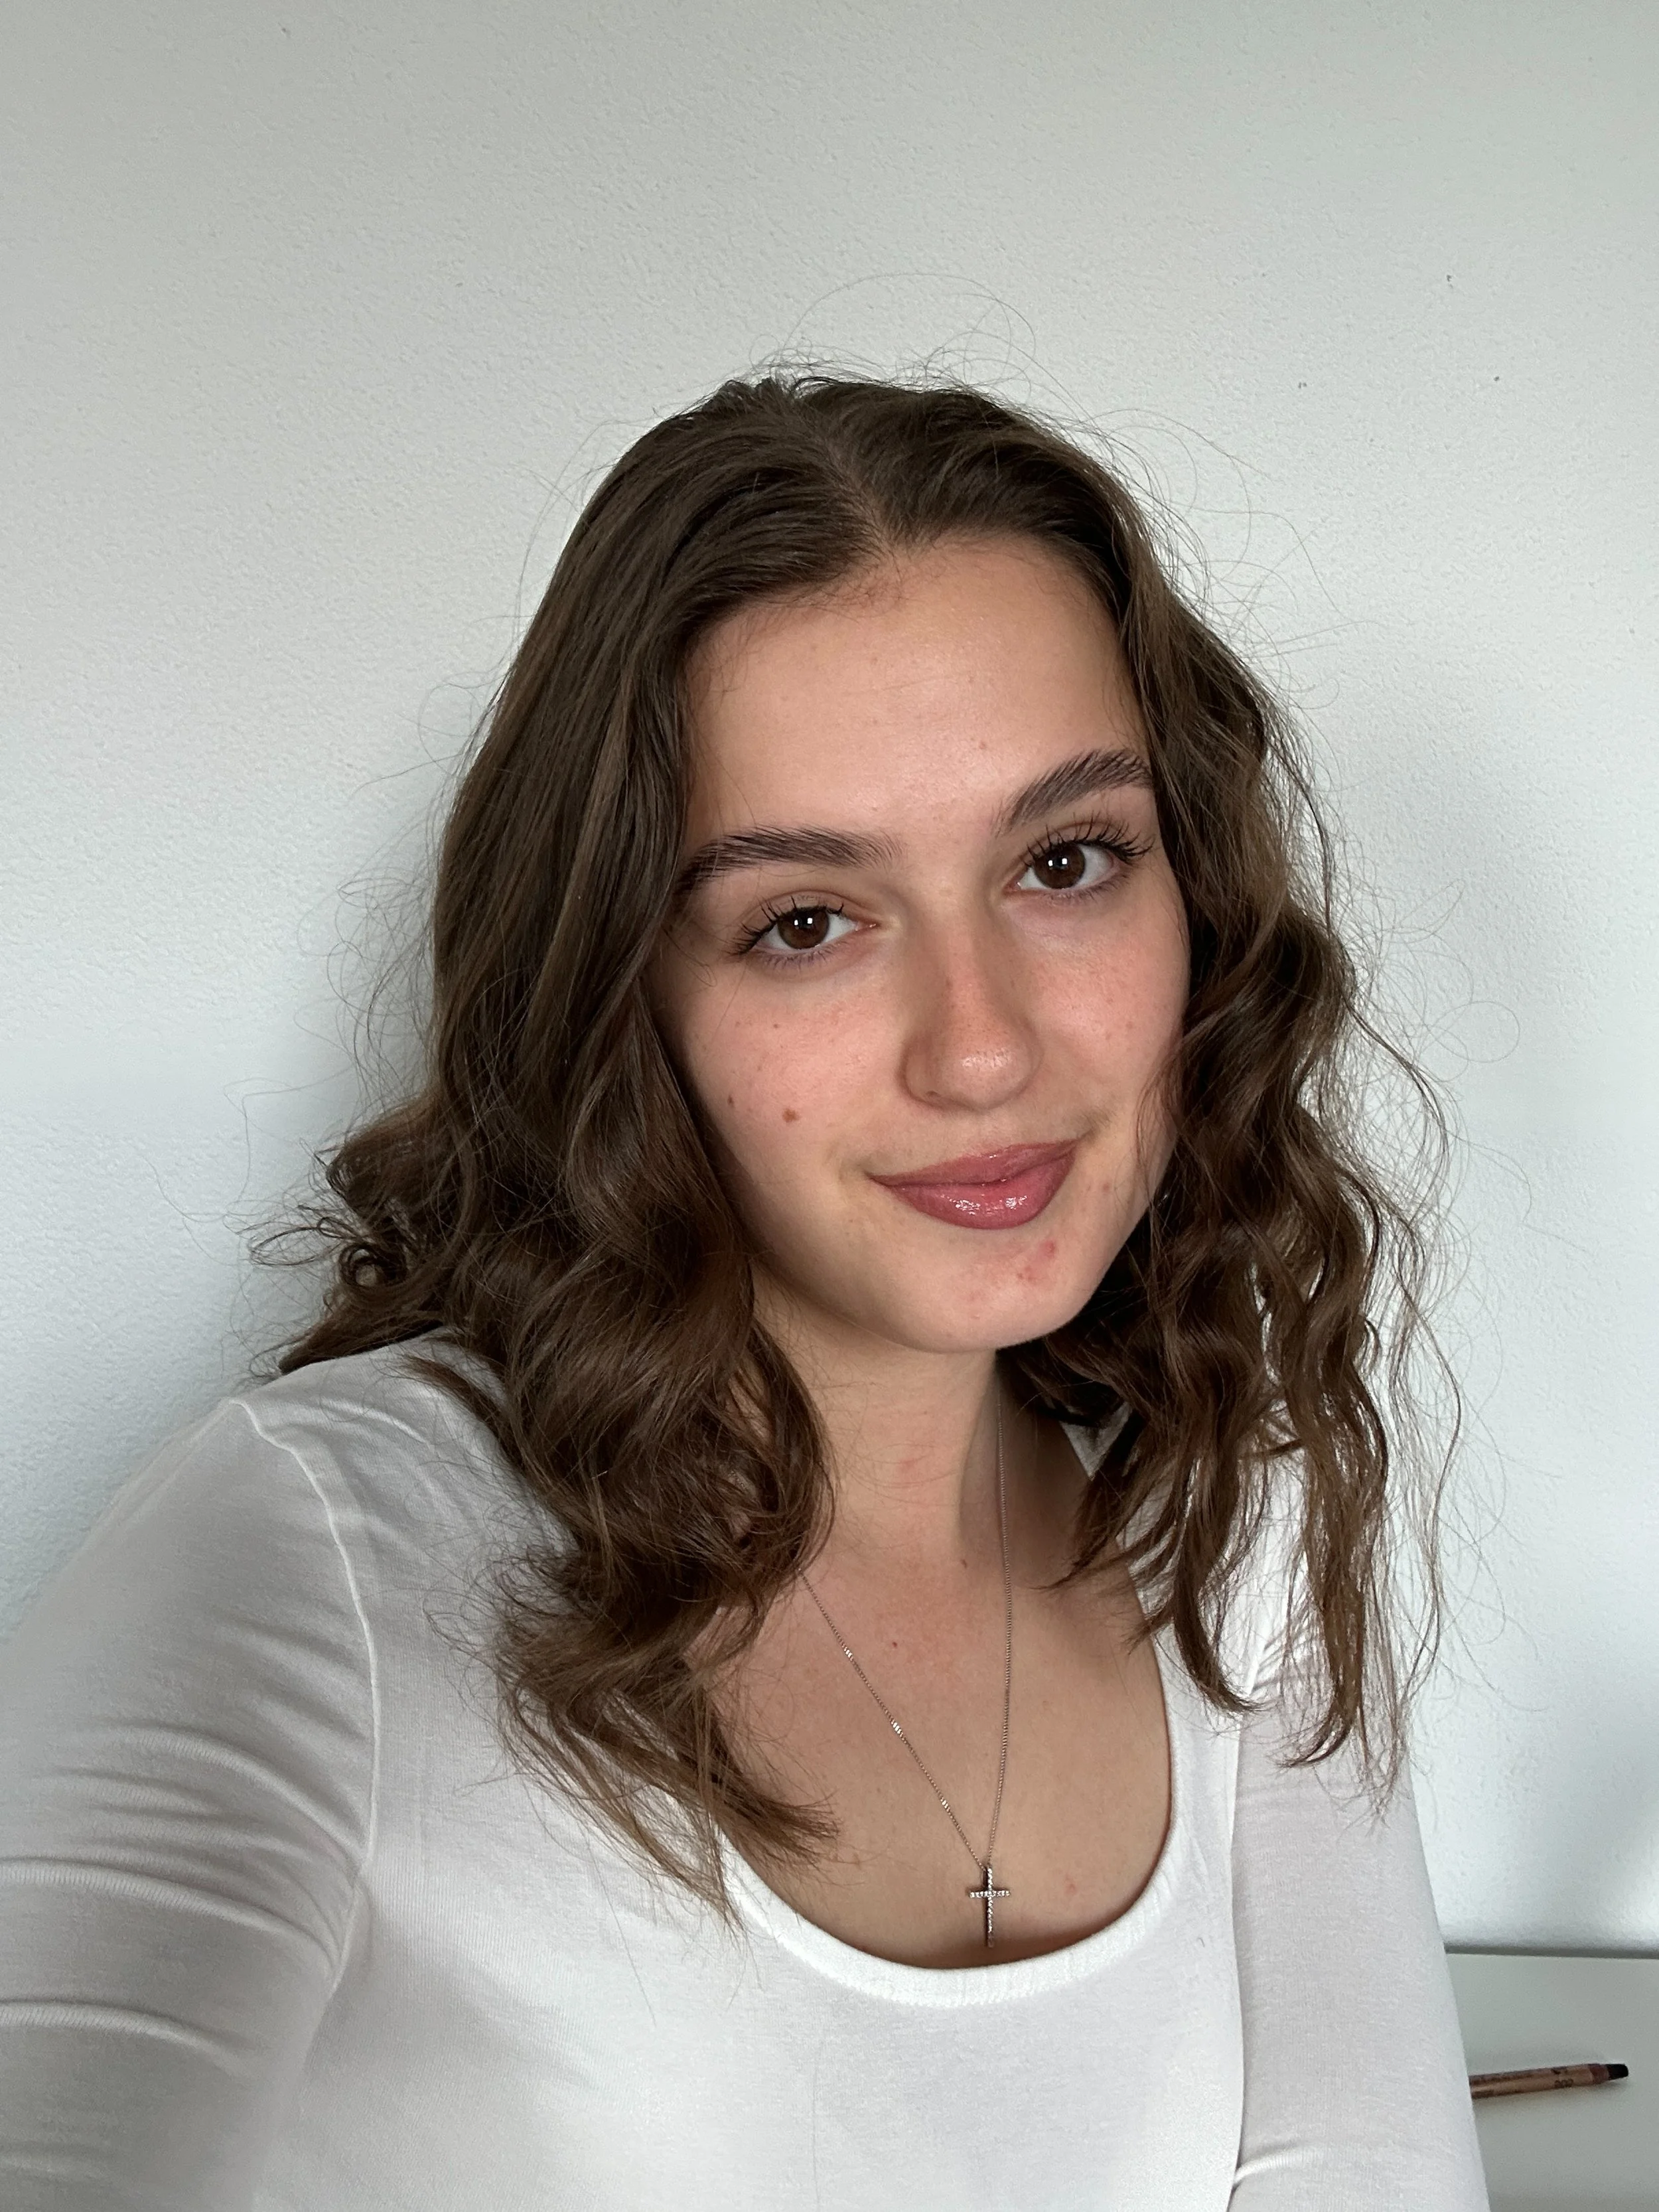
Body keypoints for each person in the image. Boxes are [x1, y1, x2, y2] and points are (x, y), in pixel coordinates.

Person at [0, 374, 1489, 2209]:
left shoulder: (1229, 1528)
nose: (980, 1047)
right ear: (627, 992)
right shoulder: (313, 1554)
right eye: (805, 919)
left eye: (1064, 860)